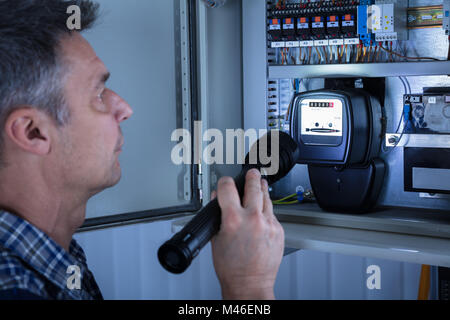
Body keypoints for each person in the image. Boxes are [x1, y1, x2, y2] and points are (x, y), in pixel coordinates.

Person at [0, 0, 285, 300]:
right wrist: (249, 285)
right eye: (98, 94)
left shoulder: (56, 257)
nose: (125, 108)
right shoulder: (14, 288)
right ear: (33, 131)